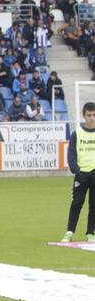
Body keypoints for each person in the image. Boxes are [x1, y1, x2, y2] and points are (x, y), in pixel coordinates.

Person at [63, 102, 95, 242]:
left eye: (94, 115)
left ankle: (90, 233)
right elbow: (71, 156)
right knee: (76, 203)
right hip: (81, 175)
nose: (92, 118)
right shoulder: (77, 133)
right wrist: (77, 171)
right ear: (83, 116)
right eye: (89, 115)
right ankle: (69, 232)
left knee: (93, 205)